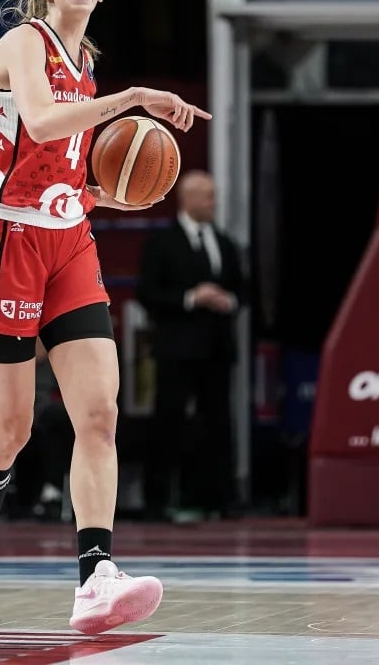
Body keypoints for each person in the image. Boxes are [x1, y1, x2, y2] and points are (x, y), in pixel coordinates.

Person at [0, 0, 210, 635]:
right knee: (11, 427)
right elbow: (36, 121)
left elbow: (53, 156)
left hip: (67, 242)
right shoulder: (22, 44)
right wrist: (134, 100)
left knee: (100, 412)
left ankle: (96, 575)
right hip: (3, 242)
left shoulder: (86, 64)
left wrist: (97, 188)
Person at [136, 170, 246, 521]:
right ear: (188, 198)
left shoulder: (225, 242)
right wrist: (190, 297)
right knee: (168, 423)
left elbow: (243, 288)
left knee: (219, 423)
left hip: (216, 348)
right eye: (208, 195)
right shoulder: (162, 242)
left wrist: (227, 300)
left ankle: (221, 499)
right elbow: (147, 292)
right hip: (176, 349)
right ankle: (158, 500)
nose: (213, 202)